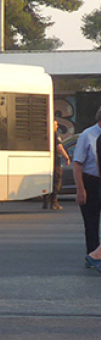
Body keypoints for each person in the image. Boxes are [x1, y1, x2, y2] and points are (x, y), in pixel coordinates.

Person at [76, 107, 101, 271]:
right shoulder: (88, 135)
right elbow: (77, 163)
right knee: (91, 222)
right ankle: (92, 255)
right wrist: (80, 189)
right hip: (90, 181)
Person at [43, 120, 70, 210]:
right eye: (55, 125)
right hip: (55, 163)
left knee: (47, 182)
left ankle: (45, 202)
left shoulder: (45, 135)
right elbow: (60, 148)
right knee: (56, 181)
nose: (57, 126)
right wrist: (67, 157)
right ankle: (54, 203)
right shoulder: (55, 135)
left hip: (46, 163)